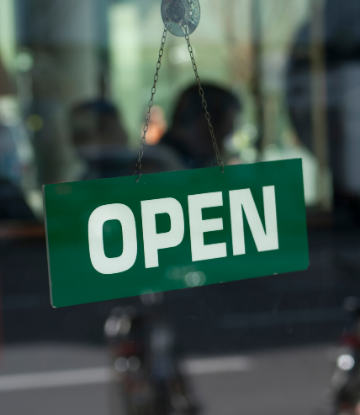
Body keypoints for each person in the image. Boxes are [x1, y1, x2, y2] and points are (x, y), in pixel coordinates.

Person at [156, 83, 241, 170]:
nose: (221, 149)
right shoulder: (160, 167)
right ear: (204, 125)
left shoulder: (173, 163)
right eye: (221, 136)